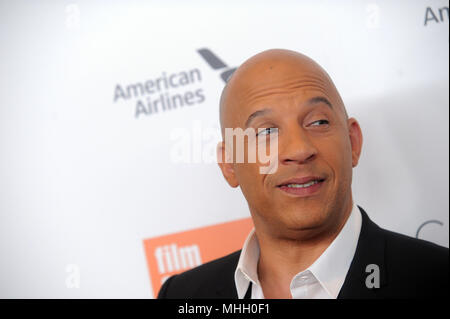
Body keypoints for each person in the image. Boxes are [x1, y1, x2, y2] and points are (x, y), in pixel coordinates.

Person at [157, 49, 448, 299]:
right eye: (266, 131)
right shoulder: (185, 294)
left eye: (318, 122)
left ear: (353, 142)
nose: (298, 150)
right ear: (230, 164)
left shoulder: (435, 279)